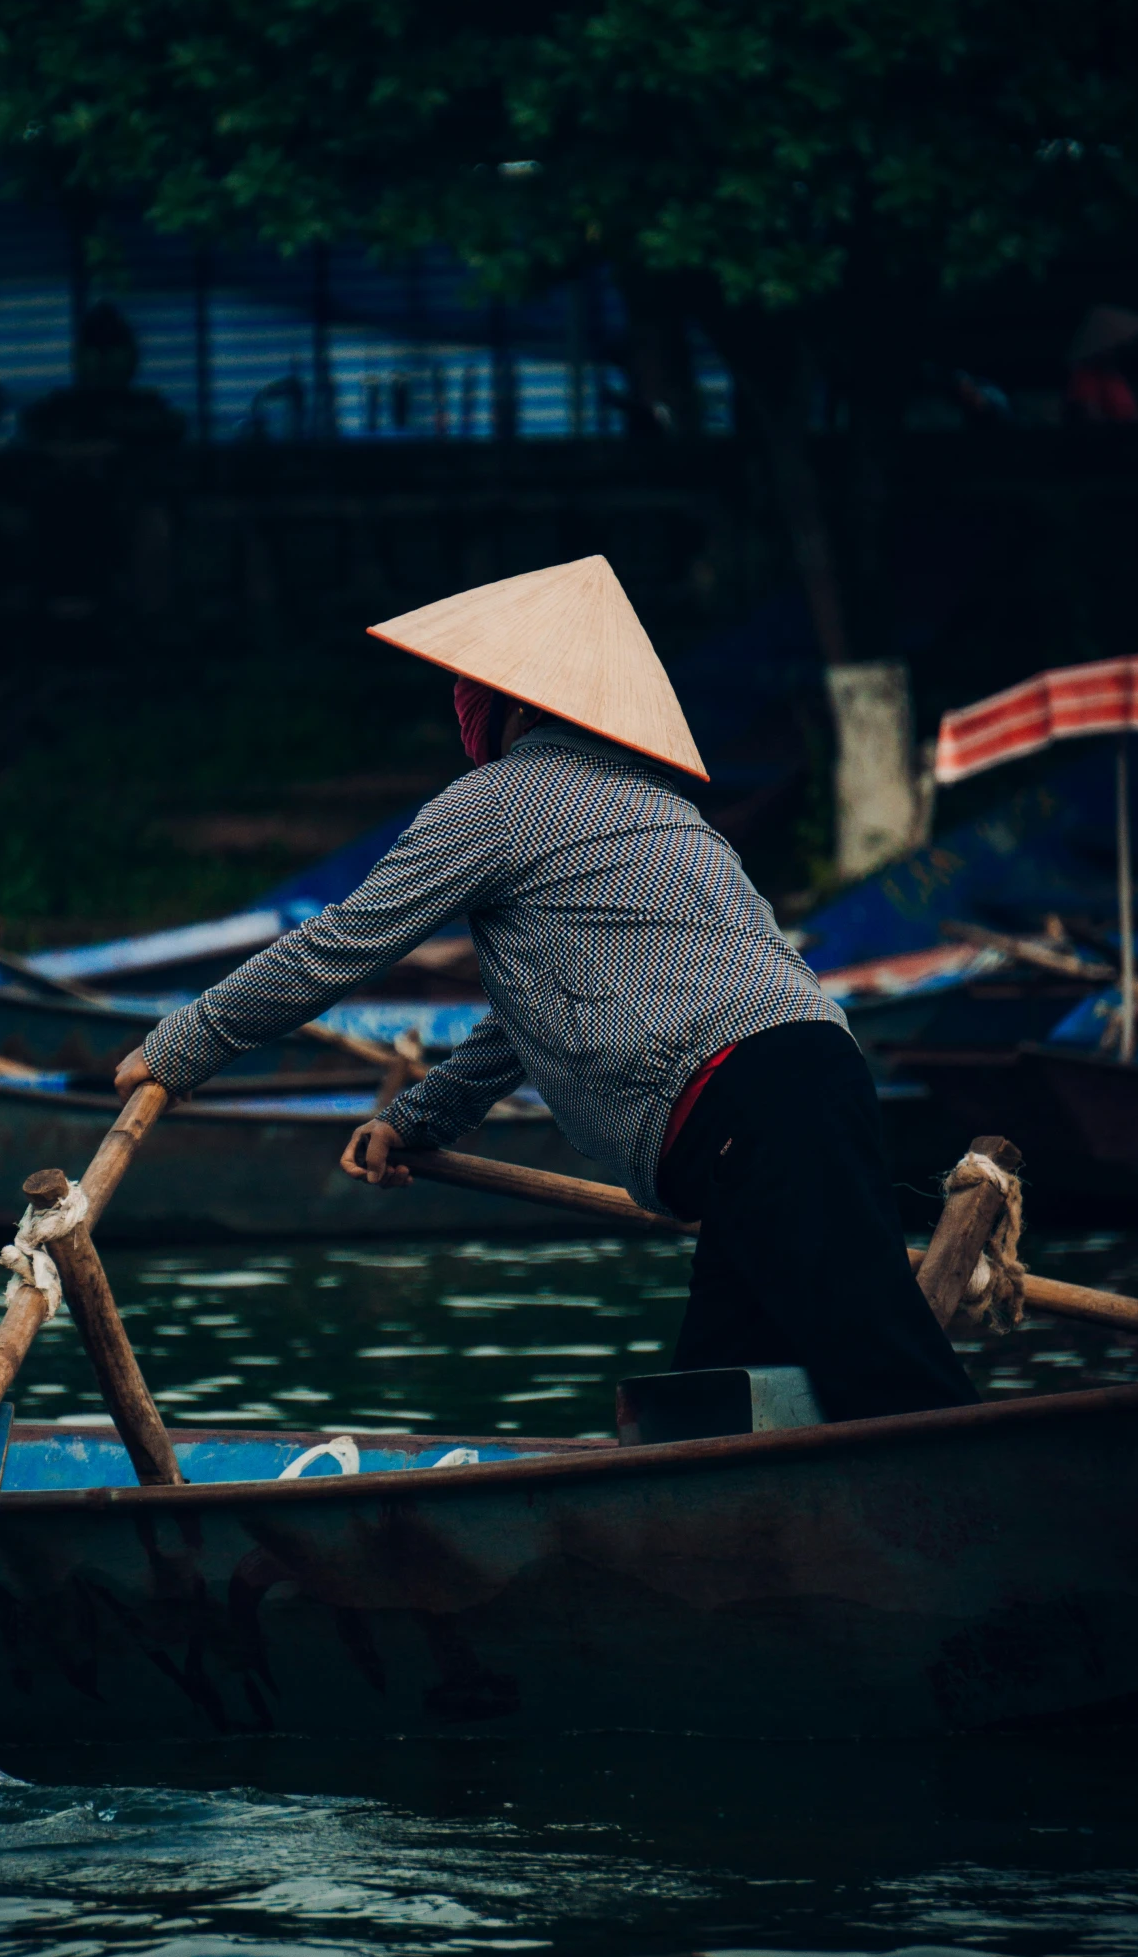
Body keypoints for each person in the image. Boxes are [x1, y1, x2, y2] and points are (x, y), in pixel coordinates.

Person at [115, 556, 977, 1423]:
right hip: (795, 1083)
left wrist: (181, 1044)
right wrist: (415, 1120)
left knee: (885, 1373)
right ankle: (706, 1542)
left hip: (747, 1100)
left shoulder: (503, 800)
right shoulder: (649, 805)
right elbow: (530, 1020)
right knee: (715, 1404)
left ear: (518, 703)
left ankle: (990, 1523)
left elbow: (342, 946)